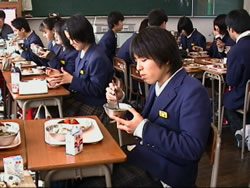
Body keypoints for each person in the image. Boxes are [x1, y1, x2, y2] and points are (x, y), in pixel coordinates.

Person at [67, 27, 211, 187]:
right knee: (78, 173)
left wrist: (142, 128)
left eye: (143, 60)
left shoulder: (193, 91)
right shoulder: (159, 83)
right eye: (136, 61)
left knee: (88, 183)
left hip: (165, 172)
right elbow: (145, 120)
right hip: (146, 156)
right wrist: (121, 103)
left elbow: (192, 148)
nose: (138, 67)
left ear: (166, 58)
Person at [46, 14, 113, 123]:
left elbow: (97, 89)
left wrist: (71, 80)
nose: (71, 43)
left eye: (73, 39)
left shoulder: (97, 57)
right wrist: (60, 76)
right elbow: (78, 76)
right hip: (80, 97)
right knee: (49, 108)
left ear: (83, 35)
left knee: (57, 116)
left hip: (94, 104)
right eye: (69, 39)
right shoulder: (82, 51)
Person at [223, 9, 250, 147]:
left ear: (232, 29)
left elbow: (231, 81)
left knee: (224, 100)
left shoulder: (237, 50)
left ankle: (241, 131)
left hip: (244, 95)